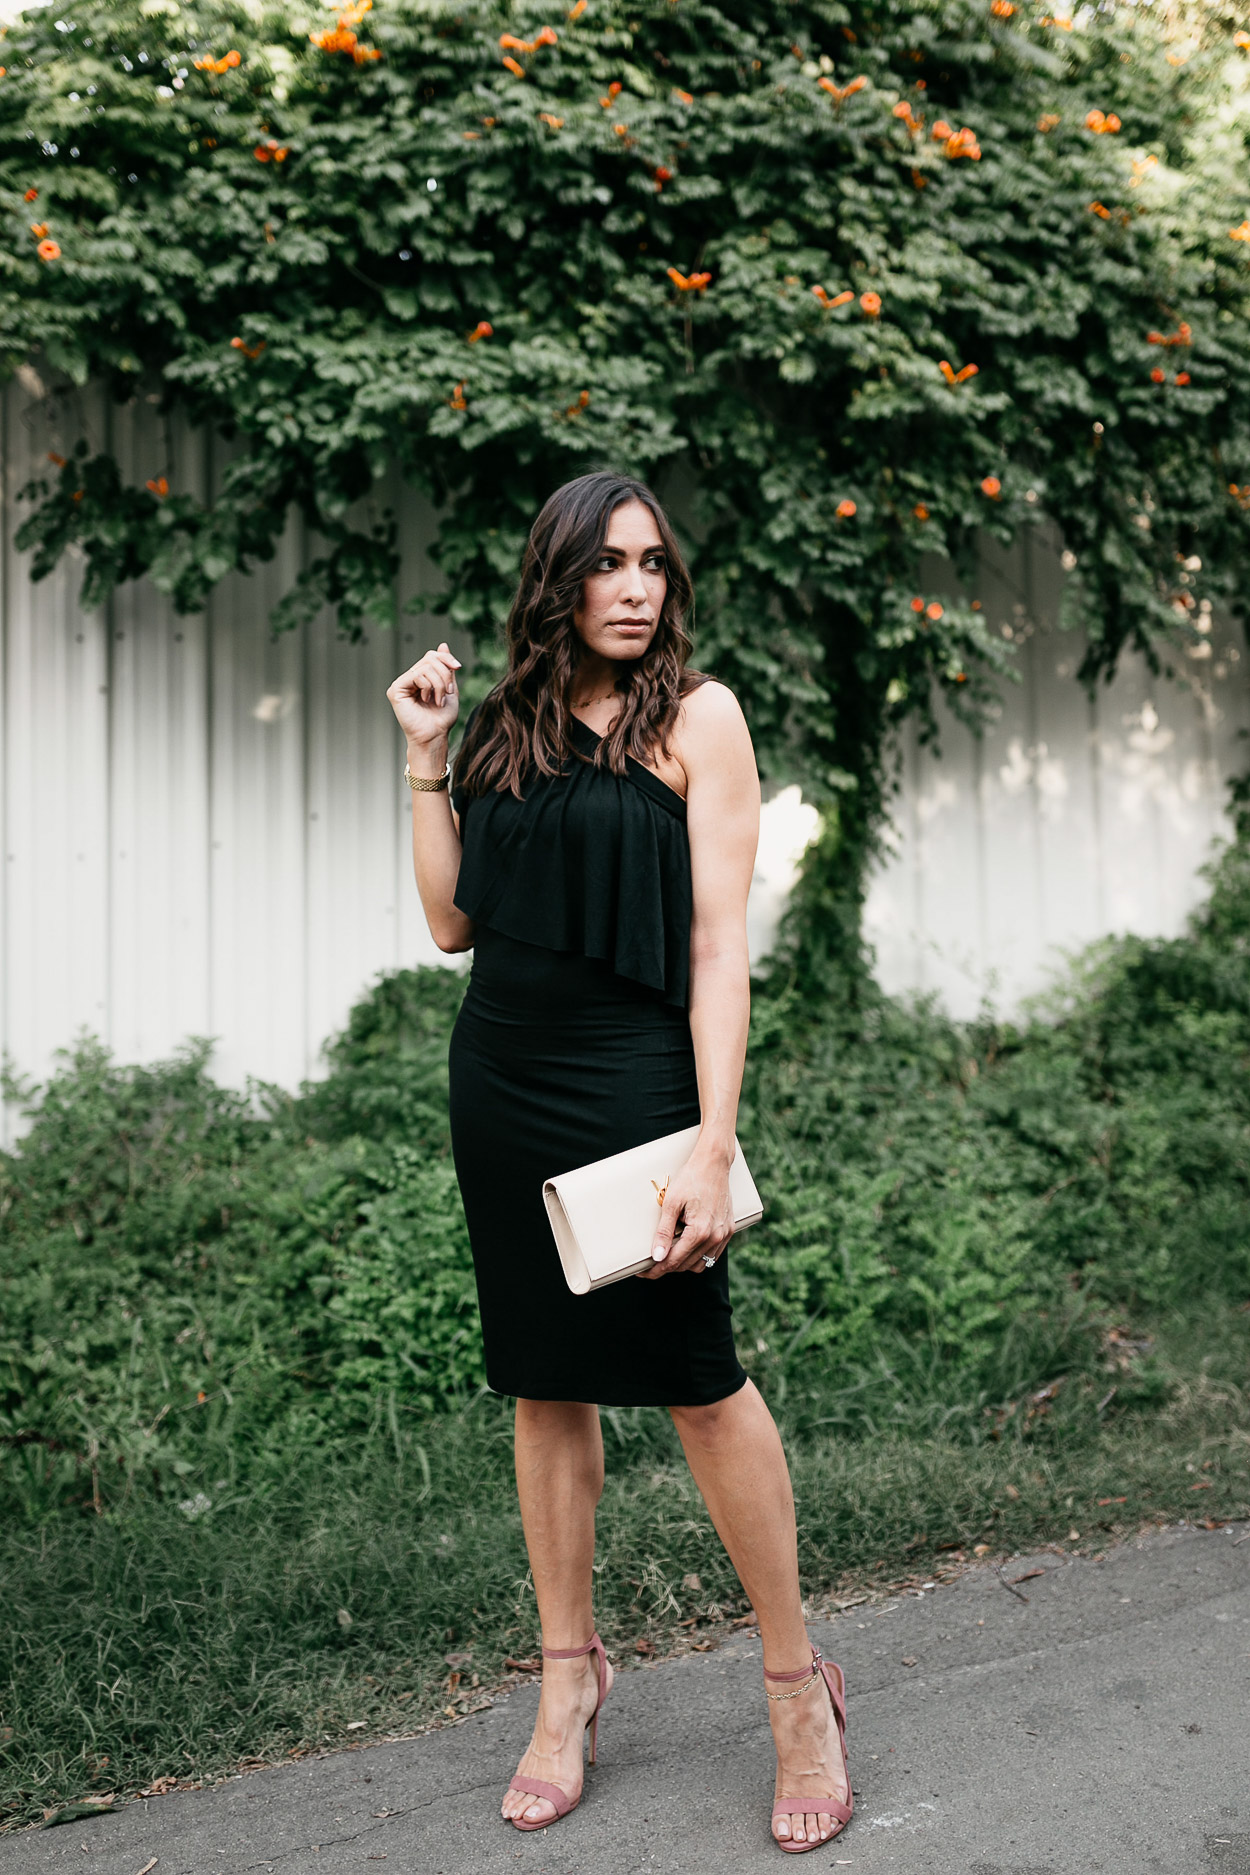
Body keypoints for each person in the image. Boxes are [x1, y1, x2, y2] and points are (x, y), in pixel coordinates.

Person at [385, 470, 851, 1852]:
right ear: (559, 580)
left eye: (653, 562)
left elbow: (717, 949)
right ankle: (567, 1680)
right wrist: (423, 756)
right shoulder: (501, 721)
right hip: (504, 1079)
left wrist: (712, 1139)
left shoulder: (699, 719)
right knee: (544, 1381)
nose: (637, 587)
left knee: (697, 1384)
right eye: (608, 564)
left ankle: (795, 1691)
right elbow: (452, 922)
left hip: (640, 1086)